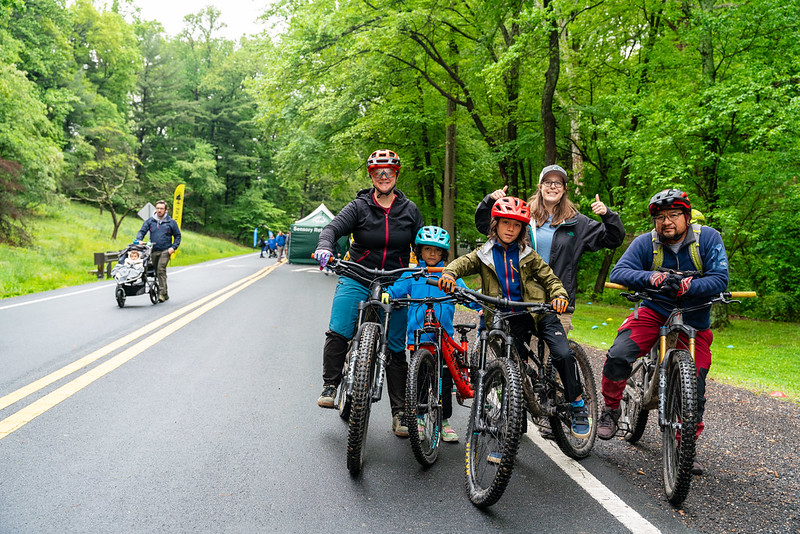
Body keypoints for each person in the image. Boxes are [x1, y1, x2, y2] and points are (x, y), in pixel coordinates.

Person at [596, 189, 729, 475]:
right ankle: (610, 409)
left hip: (694, 319)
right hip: (654, 312)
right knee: (619, 354)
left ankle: (686, 446)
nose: (666, 222)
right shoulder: (647, 242)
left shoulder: (708, 238)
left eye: (673, 215)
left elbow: (720, 278)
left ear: (687, 217)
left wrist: (689, 286)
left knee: (696, 382)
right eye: (660, 217)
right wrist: (652, 277)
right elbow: (619, 272)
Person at [440, 196, 591, 439]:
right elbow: (460, 264)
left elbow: (550, 279)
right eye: (506, 223)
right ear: (495, 224)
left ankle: (577, 405)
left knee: (563, 353)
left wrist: (559, 295)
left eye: (517, 225)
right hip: (508, 319)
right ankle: (510, 429)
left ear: (522, 229)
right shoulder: (483, 254)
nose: (511, 229)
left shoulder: (528, 255)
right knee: (512, 371)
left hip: (537, 313)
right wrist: (448, 273)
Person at [314, 149, 424, 437]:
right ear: (371, 176)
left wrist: (430, 267)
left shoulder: (410, 210)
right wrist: (325, 246)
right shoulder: (359, 207)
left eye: (389, 172)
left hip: (395, 280)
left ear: (396, 175)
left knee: (397, 348)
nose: (384, 176)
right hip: (358, 275)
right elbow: (332, 228)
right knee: (339, 329)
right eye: (378, 172)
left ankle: (400, 413)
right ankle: (331, 384)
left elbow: (423, 244)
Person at [475, 164, 625, 331]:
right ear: (540, 187)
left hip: (558, 302)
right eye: (548, 182)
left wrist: (608, 215)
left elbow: (613, 239)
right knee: (519, 354)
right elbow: (485, 226)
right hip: (521, 299)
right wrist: (489, 201)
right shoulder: (522, 217)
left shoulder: (577, 222)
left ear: (564, 189)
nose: (553, 186)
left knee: (554, 354)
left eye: (558, 183)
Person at [386, 226, 479, 443]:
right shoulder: (411, 274)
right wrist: (386, 296)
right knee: (417, 380)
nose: (432, 255)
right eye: (427, 249)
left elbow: (466, 295)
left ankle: (443, 421)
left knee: (444, 381)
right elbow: (396, 290)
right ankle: (418, 419)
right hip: (417, 339)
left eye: (437, 251)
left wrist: (478, 305)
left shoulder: (449, 275)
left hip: (442, 339)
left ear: (443, 254)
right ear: (420, 251)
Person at [136, 200, 181, 302]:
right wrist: (139, 240)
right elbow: (142, 231)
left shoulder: (171, 222)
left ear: (165, 210)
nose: (159, 210)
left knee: (161, 269)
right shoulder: (150, 221)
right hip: (153, 250)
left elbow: (177, 236)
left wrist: (173, 248)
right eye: (158, 208)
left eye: (161, 208)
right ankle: (165, 293)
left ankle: (161, 294)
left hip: (166, 250)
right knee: (156, 271)